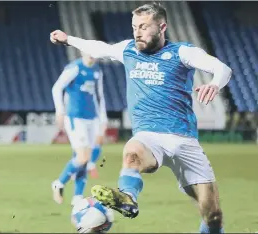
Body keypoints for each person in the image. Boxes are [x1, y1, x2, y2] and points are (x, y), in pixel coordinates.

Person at [50, 2, 232, 233]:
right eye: (135, 26)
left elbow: (223, 69)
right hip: (149, 136)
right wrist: (69, 39)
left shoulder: (182, 52)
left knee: (213, 216)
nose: (137, 32)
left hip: (184, 140)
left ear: (162, 26)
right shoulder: (128, 50)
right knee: (132, 153)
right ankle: (128, 198)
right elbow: (99, 48)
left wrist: (215, 84)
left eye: (144, 27)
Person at [51, 52, 108, 206]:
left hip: (93, 118)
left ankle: (77, 197)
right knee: (82, 157)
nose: (91, 54)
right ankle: (59, 183)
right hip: (75, 117)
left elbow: (99, 96)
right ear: (82, 52)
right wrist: (60, 111)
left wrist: (103, 119)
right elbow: (57, 88)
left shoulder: (97, 71)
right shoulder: (74, 68)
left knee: (85, 158)